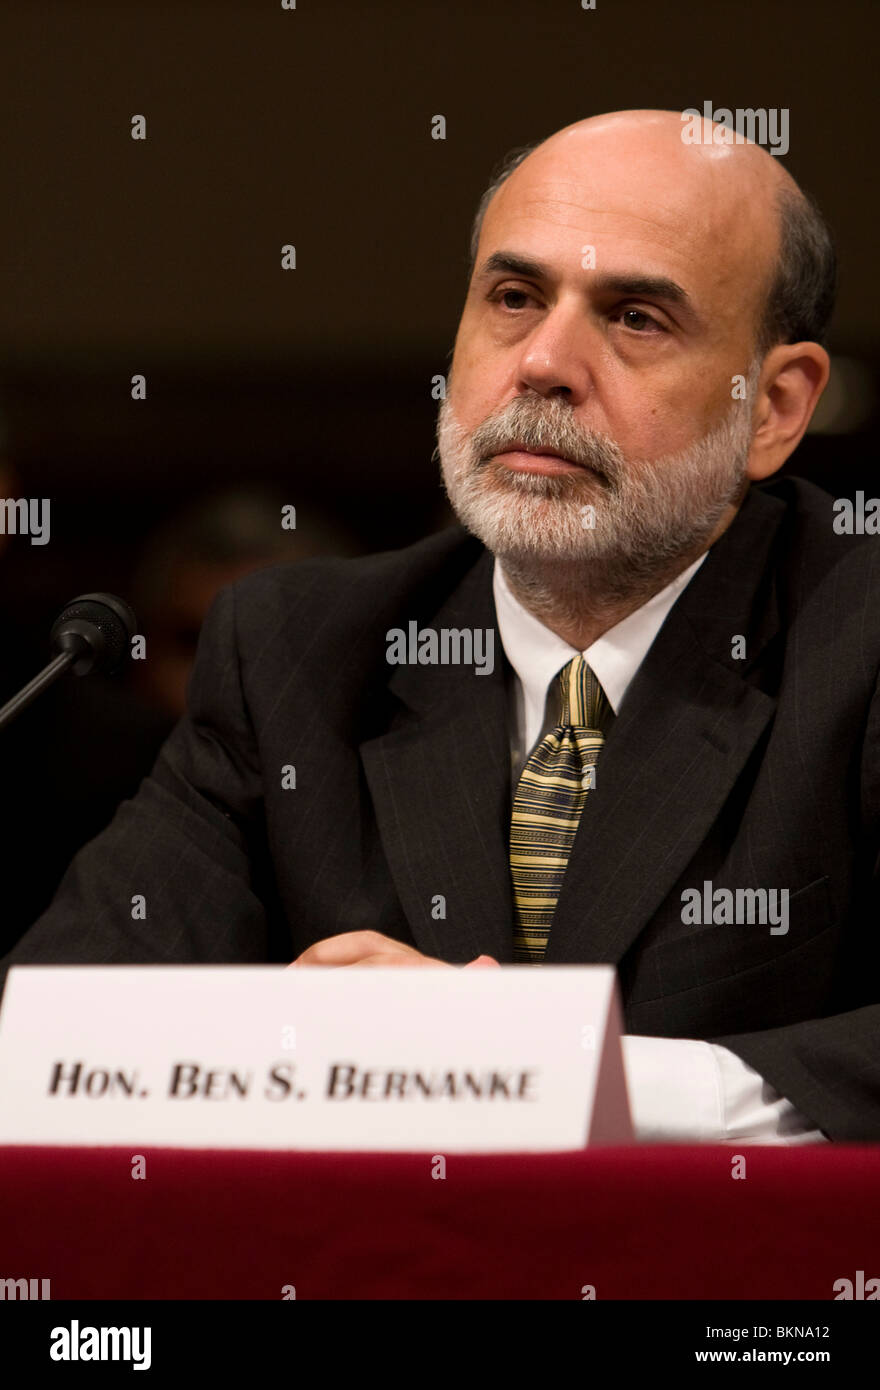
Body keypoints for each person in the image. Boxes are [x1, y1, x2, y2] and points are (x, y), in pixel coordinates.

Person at [1, 110, 872, 1144]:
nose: (544, 361)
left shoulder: (853, 635)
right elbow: (57, 1033)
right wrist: (311, 1055)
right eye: (513, 297)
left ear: (773, 406)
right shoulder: (295, 651)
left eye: (635, 317)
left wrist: (544, 1070)